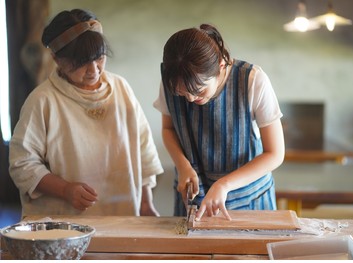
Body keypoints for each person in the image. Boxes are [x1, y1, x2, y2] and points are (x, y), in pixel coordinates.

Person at [9, 9, 164, 218]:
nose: (94, 70)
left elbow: (143, 149)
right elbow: (22, 164)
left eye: (99, 58)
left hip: (122, 216)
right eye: (81, 63)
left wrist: (145, 203)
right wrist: (65, 189)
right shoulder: (43, 100)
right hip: (63, 226)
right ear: (56, 59)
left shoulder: (121, 88)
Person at [153, 24, 285, 221]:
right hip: (194, 203)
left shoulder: (252, 80)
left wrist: (224, 184)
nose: (189, 98)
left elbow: (275, 154)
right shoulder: (172, 77)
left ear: (221, 66)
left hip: (248, 202)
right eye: (181, 92)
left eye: (199, 89)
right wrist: (182, 166)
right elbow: (168, 129)